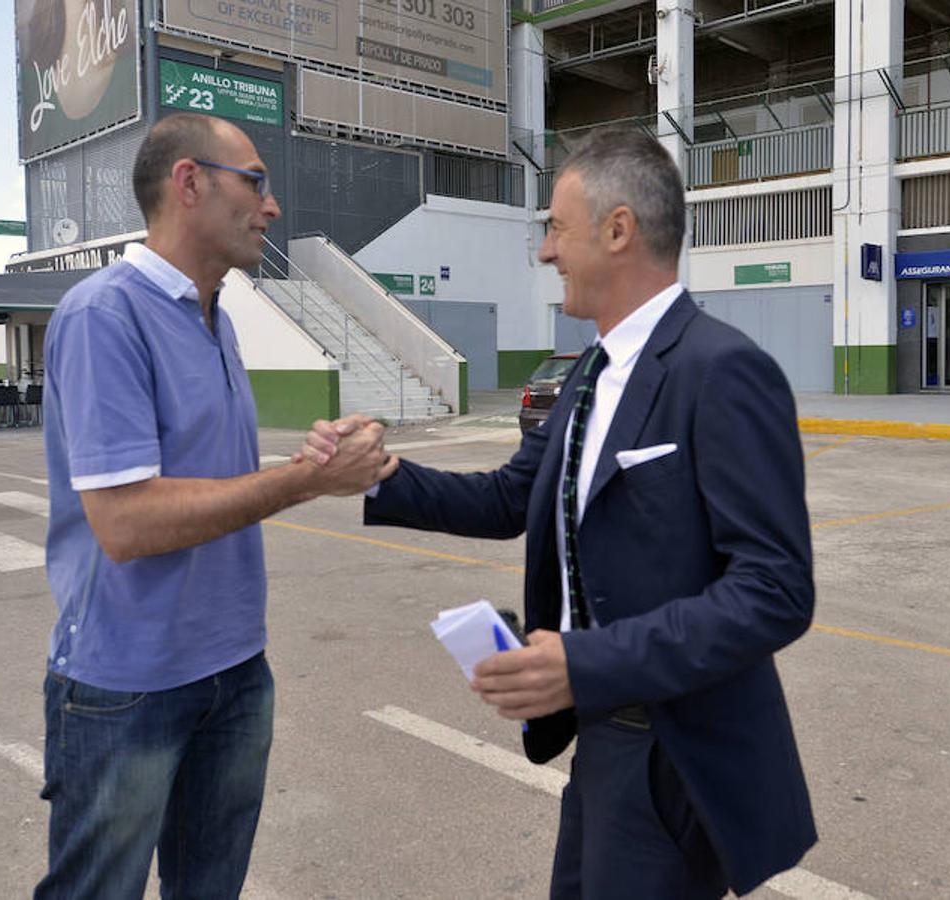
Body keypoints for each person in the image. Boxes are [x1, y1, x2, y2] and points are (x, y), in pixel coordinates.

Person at [305, 129, 817, 898]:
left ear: (618, 230)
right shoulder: (591, 370)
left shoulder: (722, 370)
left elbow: (775, 591)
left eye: (554, 227)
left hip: (671, 750)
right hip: (602, 737)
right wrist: (380, 474)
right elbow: (512, 496)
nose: (545, 252)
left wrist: (584, 662)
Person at [37, 112, 394, 899]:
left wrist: (313, 456)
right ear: (189, 183)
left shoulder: (217, 319)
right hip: (127, 682)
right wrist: (304, 481)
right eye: (256, 181)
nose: (272, 207)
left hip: (234, 672)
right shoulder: (106, 316)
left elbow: (208, 479)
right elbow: (127, 523)